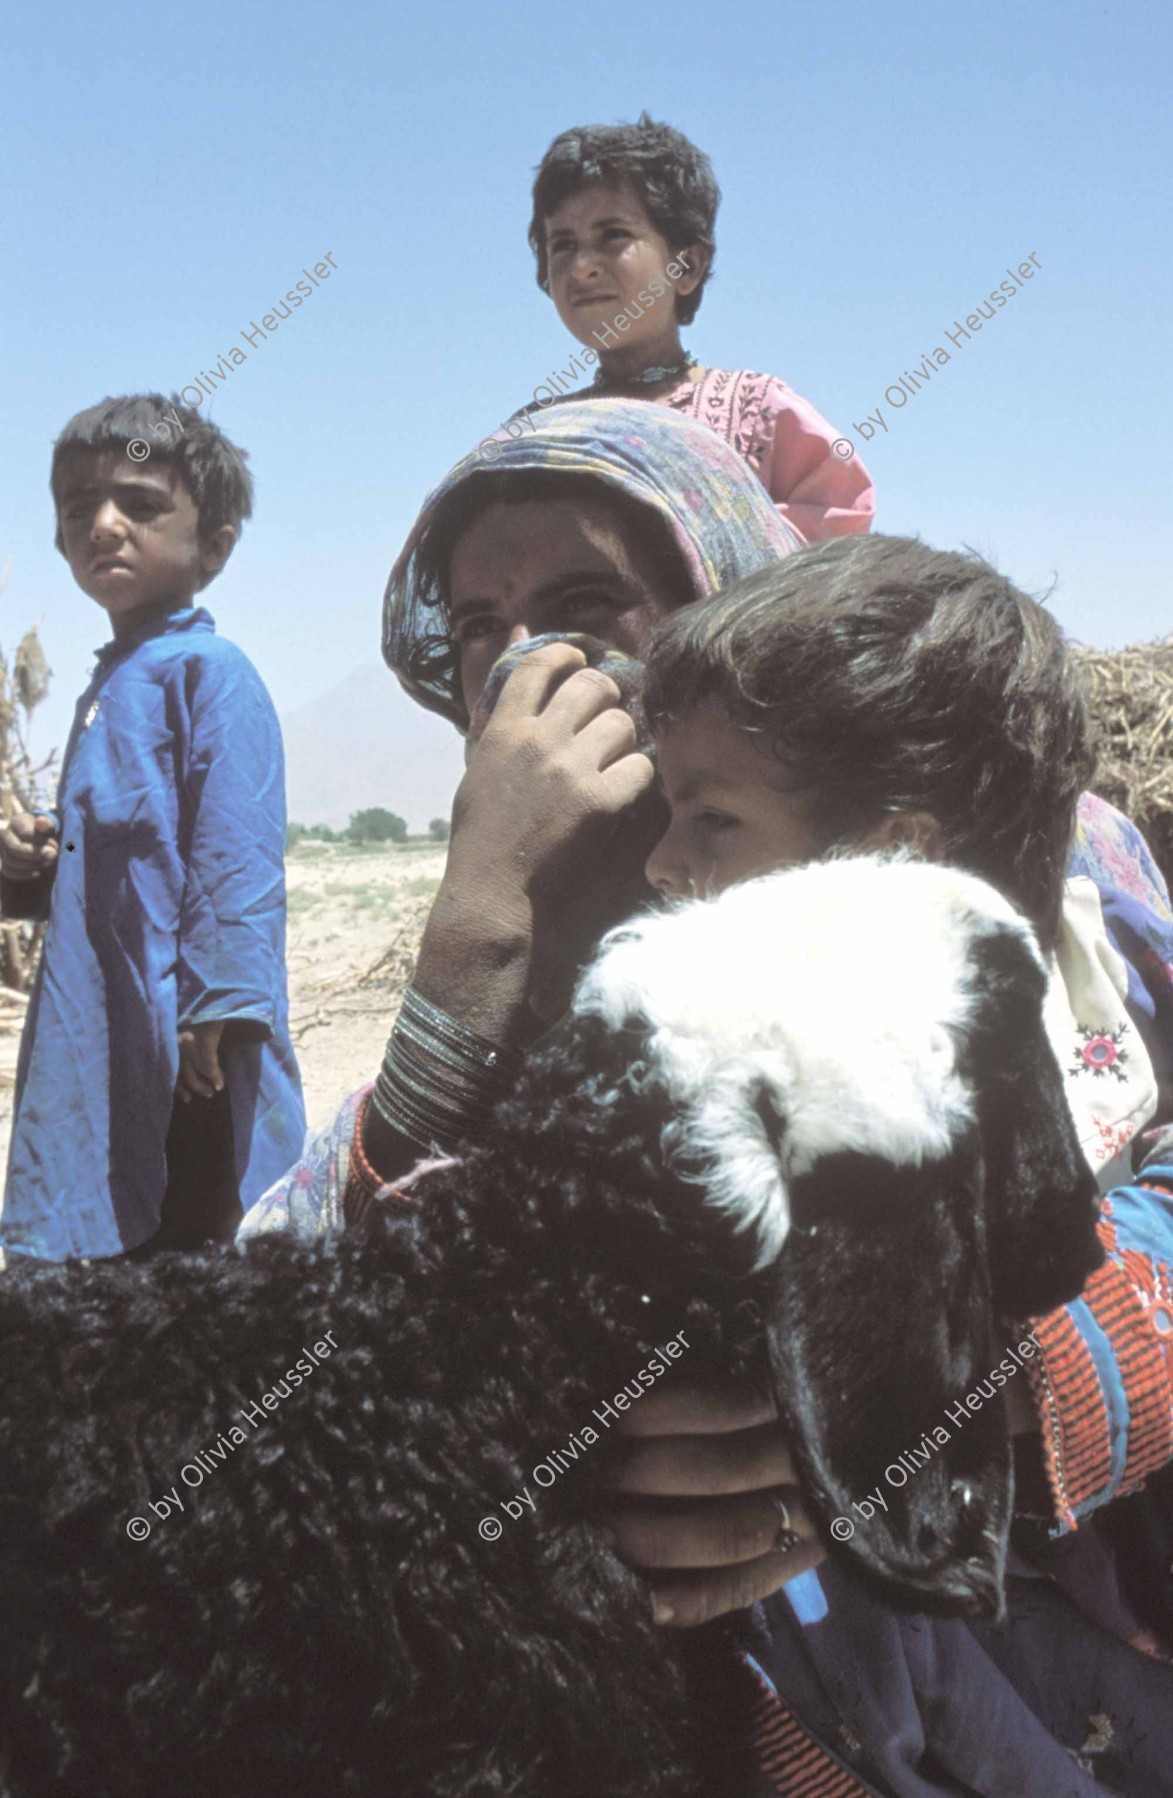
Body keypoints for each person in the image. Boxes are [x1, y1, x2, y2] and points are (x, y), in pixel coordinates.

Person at [241, 402, 1173, 1792]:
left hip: (1073, 1612)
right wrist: (471, 951)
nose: (529, 662)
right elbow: (286, 1298)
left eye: (582, 605)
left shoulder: (1029, 841)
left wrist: (966, 1399)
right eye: (481, 621)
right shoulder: (526, 924)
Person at [634, 535, 1173, 1792]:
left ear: (894, 855)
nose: (662, 866)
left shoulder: (1083, 1003)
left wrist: (966, 1402)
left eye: (710, 820)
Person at [0, 394, 305, 1262]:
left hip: (186, 1023)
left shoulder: (210, 672)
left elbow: (236, 848)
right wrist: (36, 851)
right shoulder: (109, 684)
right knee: (101, 1208)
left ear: (213, 543)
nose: (103, 525)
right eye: (78, 509)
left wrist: (225, 1001)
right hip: (99, 1009)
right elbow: (117, 839)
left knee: (201, 1233)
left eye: (140, 505)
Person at [477, 113, 875, 546]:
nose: (582, 266)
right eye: (563, 245)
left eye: (613, 235)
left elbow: (839, 525)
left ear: (687, 267)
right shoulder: (535, 434)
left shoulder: (759, 412)